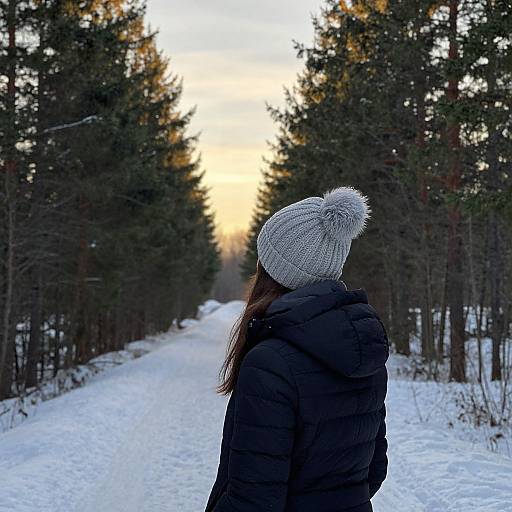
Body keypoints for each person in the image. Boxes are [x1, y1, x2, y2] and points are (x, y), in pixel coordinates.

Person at [206, 187, 389, 512]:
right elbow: (372, 472)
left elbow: (252, 501)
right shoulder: (363, 349)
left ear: (273, 271)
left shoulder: (269, 363)